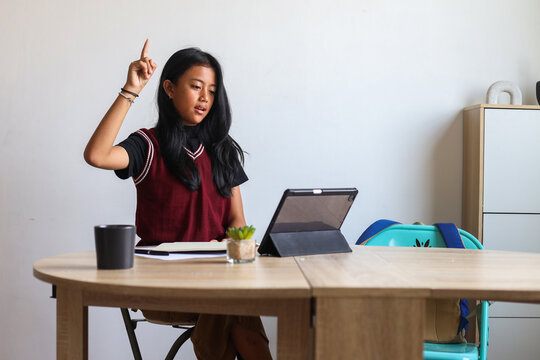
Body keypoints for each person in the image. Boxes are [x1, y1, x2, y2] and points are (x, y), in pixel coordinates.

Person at [84, 39, 272, 360]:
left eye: (212, 91)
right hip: (161, 286)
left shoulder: (222, 149)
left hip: (215, 280)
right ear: (169, 89)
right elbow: (97, 155)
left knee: (233, 303)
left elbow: (236, 221)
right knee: (235, 308)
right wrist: (130, 90)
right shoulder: (147, 145)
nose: (205, 98)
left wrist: (241, 251)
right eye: (196, 86)